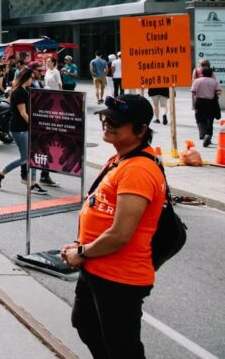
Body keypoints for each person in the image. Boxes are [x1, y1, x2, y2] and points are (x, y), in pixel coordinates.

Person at [59, 94, 165, 358]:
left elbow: (120, 234)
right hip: (97, 265)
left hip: (119, 275)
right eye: (106, 118)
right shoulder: (121, 159)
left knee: (123, 348)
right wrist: (82, 247)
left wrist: (81, 253)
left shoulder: (138, 170)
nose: (107, 124)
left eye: (117, 122)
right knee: (85, 323)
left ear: (140, 130)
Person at [0, 68, 47, 194]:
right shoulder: (20, 92)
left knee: (31, 155)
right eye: (31, 78)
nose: (32, 80)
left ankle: (32, 182)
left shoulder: (21, 90)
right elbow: (23, 113)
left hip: (21, 128)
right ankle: (1, 172)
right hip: (20, 129)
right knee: (25, 158)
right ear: (26, 78)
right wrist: (33, 125)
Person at [191, 66, 221, 148]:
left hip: (199, 101)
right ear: (211, 73)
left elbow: (193, 92)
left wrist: (193, 101)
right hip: (210, 102)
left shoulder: (196, 81)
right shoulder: (214, 82)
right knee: (210, 119)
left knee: (199, 118)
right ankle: (208, 135)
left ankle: (203, 134)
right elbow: (219, 92)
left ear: (202, 73)